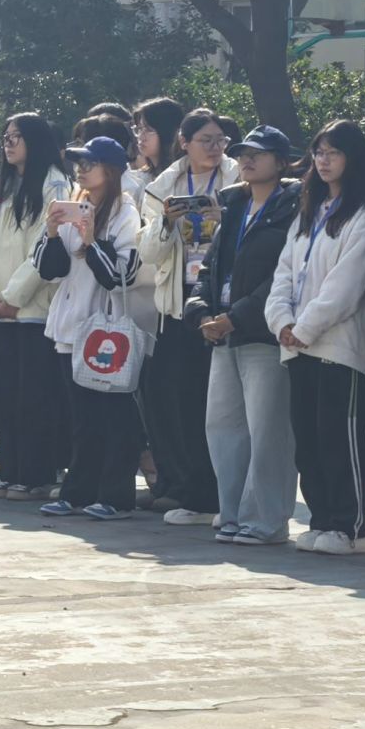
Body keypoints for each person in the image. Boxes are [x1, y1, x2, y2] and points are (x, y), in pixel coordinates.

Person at [269, 120, 365, 555]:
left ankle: (351, 527)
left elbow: (346, 285)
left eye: (333, 152)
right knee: (309, 440)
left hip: (339, 344)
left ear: (352, 158)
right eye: (318, 152)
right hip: (297, 345)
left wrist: (304, 327)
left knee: (340, 437)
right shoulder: (309, 211)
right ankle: (321, 520)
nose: (323, 160)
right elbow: (283, 272)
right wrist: (281, 321)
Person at [188, 125, 301, 547]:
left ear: (282, 161)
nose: (247, 159)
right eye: (243, 153)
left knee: (268, 431)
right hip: (223, 332)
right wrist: (201, 311)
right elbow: (210, 266)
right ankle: (233, 513)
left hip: (263, 333)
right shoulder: (234, 204)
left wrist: (237, 317)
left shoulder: (293, 208)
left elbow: (283, 277)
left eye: (259, 153)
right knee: (223, 426)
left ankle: (266, 521)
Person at [138, 109, 241, 523]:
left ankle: (215, 493)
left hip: (221, 298)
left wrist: (224, 217)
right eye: (205, 140)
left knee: (214, 401)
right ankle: (184, 486)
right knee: (176, 398)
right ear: (184, 143)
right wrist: (167, 221)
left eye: (220, 140)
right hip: (178, 299)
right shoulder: (164, 185)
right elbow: (147, 252)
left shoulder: (237, 175)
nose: (215, 148)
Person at [36, 135, 145, 520]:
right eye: (78, 162)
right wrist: (52, 231)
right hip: (69, 326)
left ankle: (116, 496)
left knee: (113, 415)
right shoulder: (72, 204)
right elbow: (49, 270)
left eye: (89, 163)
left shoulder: (125, 212)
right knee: (81, 417)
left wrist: (90, 239)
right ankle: (77, 492)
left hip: (105, 329)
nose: (80, 169)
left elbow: (120, 276)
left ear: (111, 170)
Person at [0, 113, 69, 500]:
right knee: (4, 397)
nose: (8, 144)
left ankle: (36, 475)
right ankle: (11, 473)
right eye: (6, 137)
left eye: (17, 137)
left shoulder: (55, 185)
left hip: (34, 312)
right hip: (0, 313)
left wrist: (13, 298)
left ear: (36, 140)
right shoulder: (1, 187)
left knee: (35, 398)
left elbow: (46, 248)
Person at [132, 97, 183, 182]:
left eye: (149, 130)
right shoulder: (140, 178)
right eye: (140, 129)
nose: (141, 137)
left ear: (167, 132)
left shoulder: (182, 176)